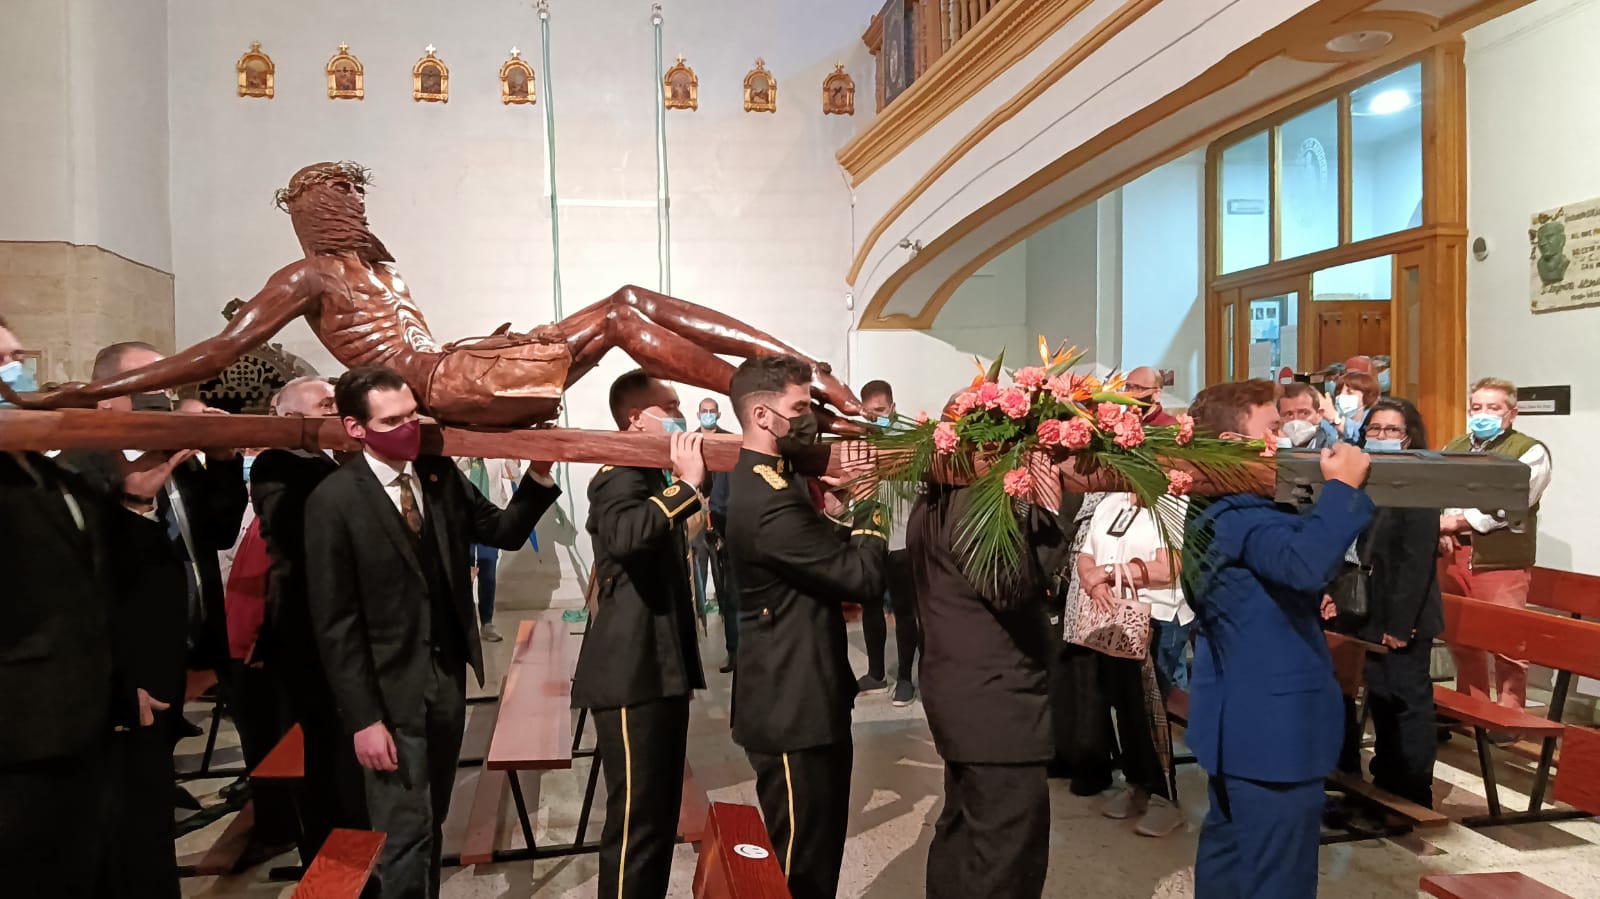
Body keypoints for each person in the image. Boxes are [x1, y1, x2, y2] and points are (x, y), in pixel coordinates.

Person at [13, 161, 864, 433]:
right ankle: (773, 394)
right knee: (623, 314)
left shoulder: (377, 268)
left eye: (354, 198)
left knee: (630, 301)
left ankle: (794, 368)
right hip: (444, 384)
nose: (354, 211)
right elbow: (219, 352)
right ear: (312, 220)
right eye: (337, 203)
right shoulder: (306, 278)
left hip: (461, 360)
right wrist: (99, 388)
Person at [305, 365, 562, 899]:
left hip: (444, 678)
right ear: (356, 428)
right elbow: (336, 623)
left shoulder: (438, 477)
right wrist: (364, 719)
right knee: (403, 831)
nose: (409, 428)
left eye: (413, 416)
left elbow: (504, 532)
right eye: (392, 420)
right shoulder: (334, 501)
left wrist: (539, 471)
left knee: (433, 817)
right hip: (388, 690)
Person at [59, 341, 247, 897]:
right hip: (124, 675)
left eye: (165, 381)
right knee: (126, 821)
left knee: (149, 810)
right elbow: (82, 590)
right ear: (105, 397)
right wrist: (115, 677)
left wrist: (224, 462)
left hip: (176, 656)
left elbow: (213, 534)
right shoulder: (80, 468)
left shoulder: (168, 457)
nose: (160, 394)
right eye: (146, 383)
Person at [1185, 379, 1375, 899]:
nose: (1284, 438)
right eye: (1272, 429)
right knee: (1278, 879)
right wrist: (1343, 491)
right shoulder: (1242, 515)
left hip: (1236, 723)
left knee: (1230, 860)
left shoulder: (1209, 508)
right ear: (1231, 444)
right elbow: (1304, 563)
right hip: (1274, 730)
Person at [0, 316, 163, 898]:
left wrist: (133, 502)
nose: (14, 373)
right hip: (18, 743)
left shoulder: (47, 471)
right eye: (1, 362)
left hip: (83, 726)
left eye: (15, 357)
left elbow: (96, 590)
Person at [725, 355, 888, 899]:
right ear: (764, 416)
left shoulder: (775, 479)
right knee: (798, 866)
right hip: (791, 707)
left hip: (804, 693)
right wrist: (870, 504)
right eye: (799, 408)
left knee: (818, 851)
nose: (808, 418)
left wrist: (839, 510)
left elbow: (812, 553)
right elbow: (861, 578)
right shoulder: (766, 498)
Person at [572, 370, 708, 899]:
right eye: (669, 406)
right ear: (637, 418)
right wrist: (687, 486)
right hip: (630, 673)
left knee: (658, 813)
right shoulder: (619, 473)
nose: (682, 414)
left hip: (658, 666)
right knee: (635, 822)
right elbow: (629, 537)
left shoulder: (650, 474)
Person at [912, 423, 1061, 899]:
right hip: (996, 705)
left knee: (962, 835)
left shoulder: (934, 498)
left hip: (961, 693)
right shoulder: (974, 506)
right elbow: (1012, 590)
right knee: (1005, 856)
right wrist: (1047, 511)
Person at [250, 376, 364, 862]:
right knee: (322, 754)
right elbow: (303, 536)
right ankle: (331, 860)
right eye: (326, 404)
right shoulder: (279, 463)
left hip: (334, 626)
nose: (336, 412)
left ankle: (352, 846)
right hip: (307, 631)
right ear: (291, 417)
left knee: (342, 751)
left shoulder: (319, 463)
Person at [1332, 399, 1443, 810]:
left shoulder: (1418, 482)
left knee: (1404, 703)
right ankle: (1381, 786)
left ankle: (1412, 795)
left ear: (1409, 437)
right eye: (1374, 429)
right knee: (1378, 698)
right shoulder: (1361, 477)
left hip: (1402, 611)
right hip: (1362, 608)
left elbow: (1417, 560)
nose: (1380, 437)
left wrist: (1400, 624)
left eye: (1391, 431)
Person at [1079, 491, 1190, 837]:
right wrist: (1093, 582)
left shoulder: (1171, 501)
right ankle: (1138, 784)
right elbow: (1085, 555)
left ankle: (1165, 797)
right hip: (1114, 617)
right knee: (1123, 706)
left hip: (1156, 617)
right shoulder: (1110, 502)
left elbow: (1168, 566)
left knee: (1152, 711)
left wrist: (1108, 573)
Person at [1438, 378, 1552, 711]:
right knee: (1461, 636)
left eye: (1493, 408)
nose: (1483, 414)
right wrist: (1442, 527)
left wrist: (1458, 521)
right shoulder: (1454, 446)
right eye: (1476, 408)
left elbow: (1515, 501)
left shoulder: (1529, 451)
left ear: (1511, 413)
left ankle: (1510, 710)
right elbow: (1439, 492)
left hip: (1500, 557)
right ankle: (1471, 705)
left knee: (1507, 639)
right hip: (1452, 553)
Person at [855, 379, 922, 706]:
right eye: (869, 414)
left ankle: (906, 677)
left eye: (880, 412)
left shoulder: (910, 439)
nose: (875, 418)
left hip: (900, 536)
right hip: (871, 536)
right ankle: (876, 673)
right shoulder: (860, 436)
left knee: (905, 609)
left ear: (892, 408)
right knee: (870, 604)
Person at [693, 397, 739, 671]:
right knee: (698, 580)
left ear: (718, 414)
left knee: (727, 588)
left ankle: (734, 648)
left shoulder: (730, 442)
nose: (708, 415)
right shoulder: (691, 441)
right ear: (698, 414)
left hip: (724, 521)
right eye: (704, 411)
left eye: (712, 411)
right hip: (698, 518)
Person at [456, 457, 522, 643]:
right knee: (461, 573)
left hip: (489, 521)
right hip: (461, 521)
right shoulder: (458, 459)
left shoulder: (495, 460)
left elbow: (514, 473)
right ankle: (462, 624)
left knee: (488, 572)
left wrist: (512, 453)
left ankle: (487, 623)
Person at [1277, 381, 1339, 450]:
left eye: (1304, 413)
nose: (1296, 420)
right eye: (1289, 414)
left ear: (1319, 415)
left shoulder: (1334, 450)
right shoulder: (1270, 449)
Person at [1332, 371, 1380, 443]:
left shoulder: (1376, 421)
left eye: (1349, 392)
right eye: (1338, 393)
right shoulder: (1327, 422)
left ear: (1368, 397)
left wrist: (1335, 419)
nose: (1341, 396)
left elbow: (1360, 434)